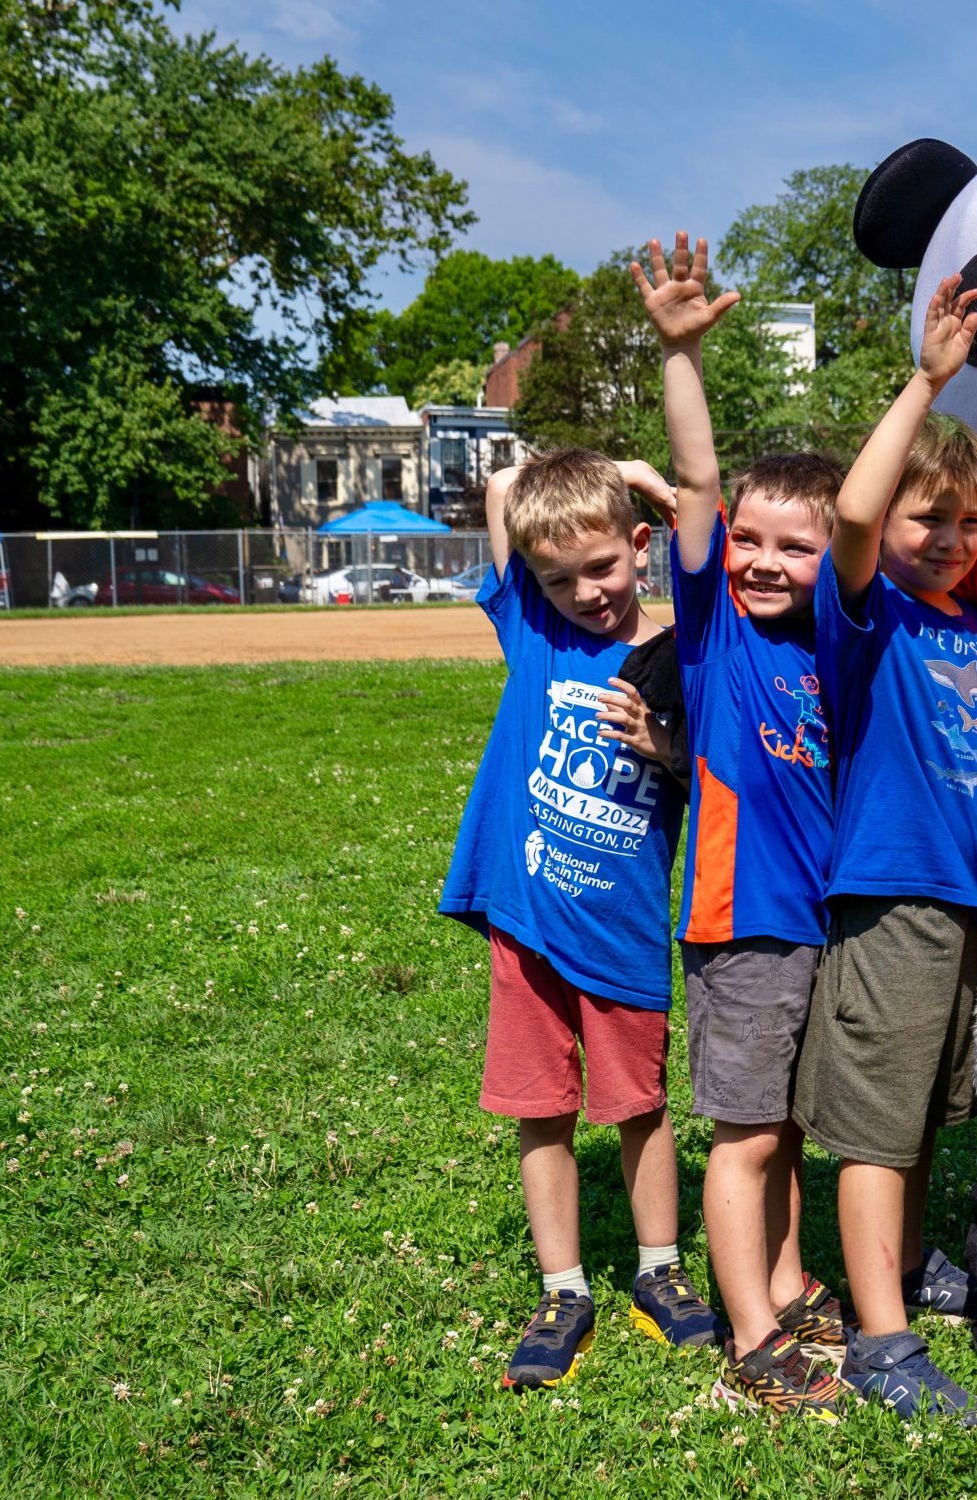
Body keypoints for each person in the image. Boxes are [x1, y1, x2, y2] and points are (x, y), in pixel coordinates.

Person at [608, 232, 852, 1418]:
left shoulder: (835, 643)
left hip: (818, 924)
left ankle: (794, 1279)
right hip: (740, 920)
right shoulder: (714, 637)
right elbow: (697, 486)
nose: (758, 560)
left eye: (790, 547)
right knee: (745, 1137)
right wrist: (680, 358)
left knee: (792, 1126)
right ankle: (752, 1333)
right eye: (748, 541)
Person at [438, 444, 718, 1391]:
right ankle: (563, 1287)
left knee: (640, 1107)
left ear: (640, 546)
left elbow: (709, 776)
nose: (584, 592)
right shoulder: (535, 632)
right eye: (557, 578)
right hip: (529, 924)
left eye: (601, 567)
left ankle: (659, 1269)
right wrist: (615, 465)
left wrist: (661, 741)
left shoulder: (680, 651)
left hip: (626, 929)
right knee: (540, 1110)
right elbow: (503, 487)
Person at [793, 273, 977, 1423]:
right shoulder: (864, 609)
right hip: (893, 898)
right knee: (877, 1124)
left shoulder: (975, 620)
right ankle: (880, 1342)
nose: (951, 542)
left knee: (920, 1116)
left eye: (970, 524)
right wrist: (926, 381)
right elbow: (860, 516)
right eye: (935, 520)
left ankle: (910, 1273)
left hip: (969, 902)